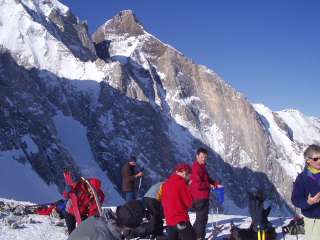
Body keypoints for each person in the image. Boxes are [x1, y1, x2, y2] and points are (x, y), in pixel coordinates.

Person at [190, 148, 222, 240]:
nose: (203, 159)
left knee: (201, 219)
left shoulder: (202, 168)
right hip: (199, 198)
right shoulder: (196, 168)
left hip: (202, 197)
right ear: (197, 156)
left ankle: (194, 236)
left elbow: (208, 179)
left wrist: (215, 183)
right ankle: (199, 237)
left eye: (205, 157)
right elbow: (197, 184)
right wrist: (209, 185)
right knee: (202, 219)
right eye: (201, 157)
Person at [292, 144, 320, 240]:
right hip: (314, 221)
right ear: (308, 160)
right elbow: (295, 199)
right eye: (316, 159)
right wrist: (309, 202)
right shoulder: (302, 178)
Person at [162, 163, 196, 240]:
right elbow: (190, 202)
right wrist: (190, 187)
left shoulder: (166, 184)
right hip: (181, 220)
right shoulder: (181, 183)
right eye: (189, 174)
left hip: (169, 221)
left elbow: (164, 201)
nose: (189, 177)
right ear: (184, 172)